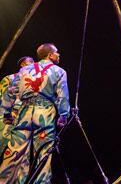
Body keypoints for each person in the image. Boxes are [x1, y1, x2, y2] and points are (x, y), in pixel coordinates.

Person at [0, 43, 70, 183]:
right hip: (44, 113)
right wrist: (63, 115)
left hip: (24, 112)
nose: (59, 55)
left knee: (15, 151)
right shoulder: (59, 71)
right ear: (50, 55)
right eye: (57, 52)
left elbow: (11, 91)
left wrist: (6, 113)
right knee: (43, 152)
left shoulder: (25, 70)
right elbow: (62, 96)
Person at [0, 56, 34, 156]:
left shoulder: (32, 83)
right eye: (30, 64)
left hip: (23, 119)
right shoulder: (9, 79)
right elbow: (3, 98)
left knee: (16, 153)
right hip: (7, 119)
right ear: (22, 65)